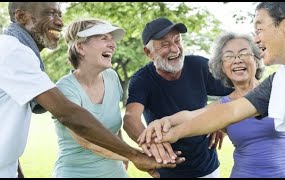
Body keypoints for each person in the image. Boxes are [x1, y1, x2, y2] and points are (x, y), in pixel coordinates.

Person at [137, 2, 285, 178]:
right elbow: (225, 112)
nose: (257, 39)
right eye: (229, 56)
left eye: (260, 29)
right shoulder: (277, 85)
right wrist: (168, 128)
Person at [0, 2, 182, 178]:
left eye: (59, 14)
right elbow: (70, 117)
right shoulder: (14, 51)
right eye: (50, 13)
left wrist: (15, 172)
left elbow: (7, 123)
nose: (59, 21)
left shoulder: (111, 77)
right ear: (21, 16)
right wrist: (134, 155)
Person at [123, 17, 233, 178]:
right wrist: (151, 143)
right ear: (148, 53)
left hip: (208, 167)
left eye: (177, 41)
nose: (175, 49)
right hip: (167, 170)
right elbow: (130, 118)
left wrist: (222, 121)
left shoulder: (200, 66)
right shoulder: (142, 80)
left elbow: (239, 91)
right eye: (165, 44)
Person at [52, 18, 130, 178]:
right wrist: (135, 155)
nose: (112, 44)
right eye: (104, 38)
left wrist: (124, 157)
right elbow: (86, 140)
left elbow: (113, 128)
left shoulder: (112, 77)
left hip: (116, 172)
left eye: (112, 39)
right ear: (80, 47)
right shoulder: (65, 89)